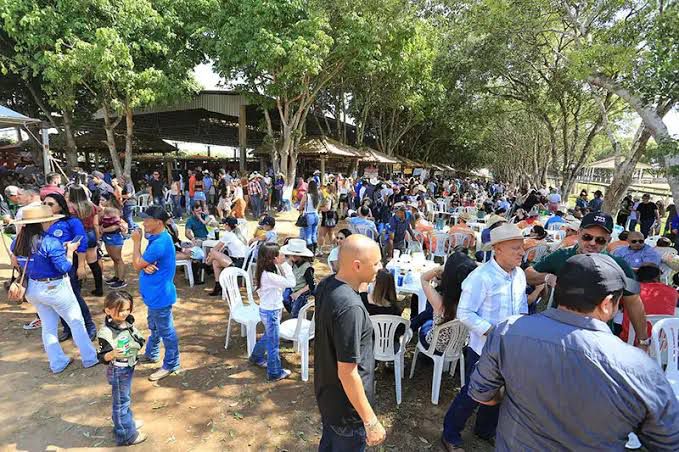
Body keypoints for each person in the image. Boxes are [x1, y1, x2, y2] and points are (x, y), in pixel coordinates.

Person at [467, 253, 679, 450]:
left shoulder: (508, 331)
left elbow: (483, 394)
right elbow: (667, 441)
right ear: (607, 304)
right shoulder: (640, 368)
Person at [441, 223, 528, 450]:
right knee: (473, 393)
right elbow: (464, 312)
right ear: (497, 249)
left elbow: (522, 307)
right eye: (515, 248)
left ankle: (485, 429)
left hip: (511, 348)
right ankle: (450, 433)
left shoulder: (519, 275)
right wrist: (492, 331)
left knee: (500, 392)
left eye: (522, 247)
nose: (522, 252)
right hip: (484, 349)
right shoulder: (481, 277)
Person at [525, 212, 650, 350]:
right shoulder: (562, 256)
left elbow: (633, 302)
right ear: (579, 233)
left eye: (600, 240)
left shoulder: (618, 265)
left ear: (608, 240)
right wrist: (547, 277)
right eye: (587, 237)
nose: (592, 243)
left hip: (598, 340)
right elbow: (528, 274)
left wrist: (643, 340)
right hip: (559, 335)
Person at [314, 234, 385, 451]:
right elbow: (348, 372)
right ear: (357, 265)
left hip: (328, 396)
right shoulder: (350, 309)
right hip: (347, 410)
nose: (380, 268)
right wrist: (370, 421)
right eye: (376, 263)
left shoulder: (327, 285)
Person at [12, 205, 98, 373]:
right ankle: (89, 357)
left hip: (34, 289)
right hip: (55, 288)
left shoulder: (18, 242)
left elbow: (20, 261)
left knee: (48, 326)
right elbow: (64, 267)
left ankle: (57, 362)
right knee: (76, 322)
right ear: (44, 223)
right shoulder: (50, 241)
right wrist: (69, 252)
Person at [131, 206, 180, 382]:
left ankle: (171, 363)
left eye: (146, 220)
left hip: (160, 295)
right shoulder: (157, 236)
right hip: (153, 295)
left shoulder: (160, 243)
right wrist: (146, 264)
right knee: (154, 326)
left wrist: (136, 243)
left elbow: (136, 264)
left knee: (166, 331)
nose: (143, 223)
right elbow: (143, 262)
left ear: (158, 222)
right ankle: (152, 353)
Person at [43, 193, 97, 341]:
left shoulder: (71, 222)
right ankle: (67, 328)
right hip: (50, 266)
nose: (46, 206)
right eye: (44, 203)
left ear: (60, 205)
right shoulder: (42, 223)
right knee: (57, 298)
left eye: (50, 204)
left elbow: (81, 242)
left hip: (69, 263)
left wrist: (81, 266)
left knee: (74, 296)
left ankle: (89, 325)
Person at [96, 291, 148, 446]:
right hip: (119, 370)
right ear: (108, 310)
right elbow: (101, 357)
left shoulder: (127, 322)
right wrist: (111, 354)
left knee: (124, 399)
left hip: (128, 366)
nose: (125, 313)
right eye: (121, 310)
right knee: (121, 402)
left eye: (127, 309)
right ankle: (126, 435)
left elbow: (137, 338)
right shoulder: (106, 332)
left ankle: (125, 423)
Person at [249, 242, 296, 381]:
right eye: (280, 254)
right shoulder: (270, 275)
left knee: (268, 336)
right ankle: (275, 372)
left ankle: (256, 357)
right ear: (273, 258)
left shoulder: (266, 269)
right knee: (273, 344)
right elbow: (291, 283)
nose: (283, 256)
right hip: (271, 313)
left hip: (268, 310)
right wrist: (286, 265)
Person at [418, 252, 477, 354]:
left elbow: (423, 278)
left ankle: (412, 327)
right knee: (429, 318)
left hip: (436, 347)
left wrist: (440, 268)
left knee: (426, 325)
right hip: (460, 344)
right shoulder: (474, 298)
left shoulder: (440, 302)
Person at [620, 263, 678, 343]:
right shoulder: (673, 292)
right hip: (662, 343)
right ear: (657, 277)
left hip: (631, 340)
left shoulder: (630, 290)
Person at [67, 184, 104, 297]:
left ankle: (77, 288)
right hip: (90, 233)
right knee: (93, 262)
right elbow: (96, 223)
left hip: (76, 236)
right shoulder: (91, 206)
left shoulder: (70, 207)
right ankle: (99, 288)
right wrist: (97, 238)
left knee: (77, 262)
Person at [205, 217, 248, 296]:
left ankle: (206, 265)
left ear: (227, 225)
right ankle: (218, 286)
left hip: (237, 263)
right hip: (243, 262)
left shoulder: (228, 235)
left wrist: (208, 258)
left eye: (224, 224)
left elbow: (215, 248)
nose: (223, 225)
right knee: (215, 262)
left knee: (213, 252)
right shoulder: (239, 233)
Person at [280, 239, 315, 318]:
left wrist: (298, 293)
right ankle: (293, 311)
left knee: (296, 311)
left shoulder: (307, 268)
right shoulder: (293, 263)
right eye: (291, 254)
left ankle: (297, 317)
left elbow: (311, 285)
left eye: (295, 255)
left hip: (302, 291)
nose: (293, 256)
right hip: (293, 286)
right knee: (285, 299)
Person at [101, 206, 129, 289]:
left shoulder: (116, 216)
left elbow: (117, 226)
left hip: (115, 238)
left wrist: (103, 230)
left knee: (118, 259)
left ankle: (121, 280)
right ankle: (117, 277)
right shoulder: (105, 211)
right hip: (108, 238)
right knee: (114, 259)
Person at [299, 179, 321, 254]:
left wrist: (299, 209)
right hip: (316, 215)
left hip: (308, 215)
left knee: (308, 236)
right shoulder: (318, 196)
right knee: (314, 234)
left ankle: (310, 254)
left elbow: (301, 206)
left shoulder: (307, 196)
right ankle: (314, 252)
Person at [318, 183, 338, 256]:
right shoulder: (335, 196)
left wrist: (319, 208)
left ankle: (319, 250)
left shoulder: (328, 197)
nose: (326, 189)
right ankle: (333, 249)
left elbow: (327, 208)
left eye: (327, 187)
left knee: (321, 234)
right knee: (331, 233)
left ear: (329, 188)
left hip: (327, 216)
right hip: (333, 215)